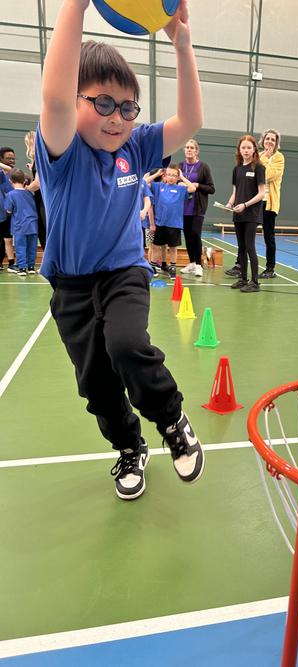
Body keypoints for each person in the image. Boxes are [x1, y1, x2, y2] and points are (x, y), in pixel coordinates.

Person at [35, 0, 204, 501]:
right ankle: (130, 447)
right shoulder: (63, 151)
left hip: (124, 273)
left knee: (127, 345)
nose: (117, 119)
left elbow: (190, 119)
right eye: (104, 103)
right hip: (71, 286)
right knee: (96, 385)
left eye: (128, 108)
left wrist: (182, 44)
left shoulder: (137, 146)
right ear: (77, 101)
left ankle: (172, 420)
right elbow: (55, 99)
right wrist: (75, 5)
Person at [225, 134, 265, 292]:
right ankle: (243, 279)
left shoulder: (259, 168)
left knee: (249, 246)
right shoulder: (237, 169)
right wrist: (229, 204)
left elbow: (261, 193)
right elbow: (235, 192)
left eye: (249, 147)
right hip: (238, 214)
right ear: (239, 150)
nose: (246, 150)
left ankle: (255, 282)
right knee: (241, 247)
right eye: (243, 147)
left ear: (254, 149)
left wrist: (245, 205)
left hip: (251, 214)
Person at [146, 165, 196, 277]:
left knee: (173, 247)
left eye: (174, 175)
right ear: (165, 175)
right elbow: (144, 182)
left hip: (174, 224)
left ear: (177, 177)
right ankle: (153, 266)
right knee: (156, 246)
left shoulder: (181, 189)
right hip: (160, 223)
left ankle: (172, 267)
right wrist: (157, 174)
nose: (171, 177)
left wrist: (182, 177)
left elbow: (193, 188)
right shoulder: (159, 186)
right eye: (169, 175)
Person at [179, 138, 215, 277]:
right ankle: (192, 263)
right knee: (187, 235)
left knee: (195, 233)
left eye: (192, 148)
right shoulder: (180, 166)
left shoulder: (203, 167)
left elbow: (211, 188)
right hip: (183, 207)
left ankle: (199, 265)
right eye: (187, 147)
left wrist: (198, 185)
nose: (189, 149)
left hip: (197, 207)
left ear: (196, 151)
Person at [258, 129, 285, 278]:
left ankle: (270, 268)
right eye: (267, 139)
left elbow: (268, 175)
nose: (269, 141)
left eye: (273, 140)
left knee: (268, 236)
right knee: (246, 233)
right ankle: (239, 264)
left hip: (269, 203)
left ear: (276, 143)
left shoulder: (279, 157)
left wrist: (266, 158)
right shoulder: (258, 155)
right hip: (255, 201)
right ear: (263, 140)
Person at [4, 169, 38, 276]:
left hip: (19, 225)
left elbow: (8, 210)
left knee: (20, 247)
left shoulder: (11, 194)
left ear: (10, 181)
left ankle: (22, 268)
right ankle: (31, 267)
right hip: (33, 224)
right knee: (32, 247)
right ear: (24, 180)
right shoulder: (30, 193)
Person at [25, 130, 47, 250]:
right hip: (42, 198)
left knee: (44, 230)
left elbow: (37, 184)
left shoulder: (39, 158)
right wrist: (31, 167)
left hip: (43, 199)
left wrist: (25, 189)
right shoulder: (39, 158)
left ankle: (50, 259)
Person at [0, 148, 16, 272]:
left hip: (10, 212)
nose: (11, 160)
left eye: (13, 158)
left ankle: (11, 263)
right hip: (1, 211)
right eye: (8, 158)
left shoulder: (14, 174)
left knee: (8, 239)